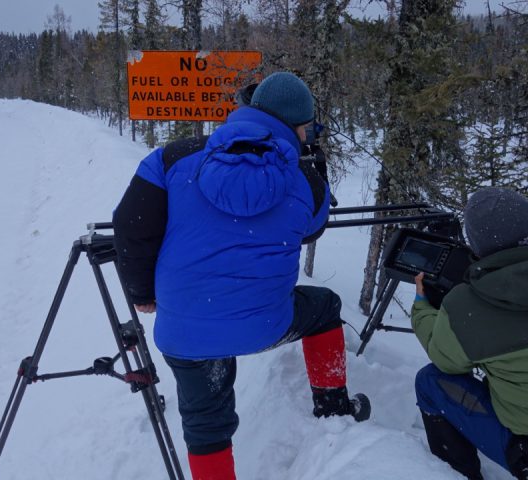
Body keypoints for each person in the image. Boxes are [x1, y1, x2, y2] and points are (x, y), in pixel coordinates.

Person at [112, 71, 370, 480]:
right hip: (266, 324)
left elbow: (130, 225)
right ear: (298, 127)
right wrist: (311, 169)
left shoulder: (171, 158)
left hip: (185, 330)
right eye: (307, 129)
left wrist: (142, 291)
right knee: (324, 307)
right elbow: (313, 228)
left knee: (205, 423)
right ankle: (332, 406)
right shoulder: (304, 180)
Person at [411, 187, 528, 480]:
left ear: (476, 245)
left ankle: (457, 474)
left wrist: (422, 306)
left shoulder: (466, 307)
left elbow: (444, 357)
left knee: (431, 382)